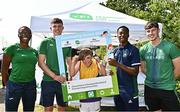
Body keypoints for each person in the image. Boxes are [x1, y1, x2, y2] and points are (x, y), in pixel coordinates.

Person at [140, 21, 180, 111]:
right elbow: (143, 68)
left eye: (153, 30)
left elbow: (178, 68)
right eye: (148, 31)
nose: (151, 33)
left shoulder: (170, 47)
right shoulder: (143, 49)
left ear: (158, 31)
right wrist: (152, 78)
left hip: (167, 88)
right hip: (150, 88)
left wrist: (168, 79)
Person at [38, 18, 72, 112]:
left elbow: (69, 63)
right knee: (48, 108)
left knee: (62, 108)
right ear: (50, 28)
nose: (57, 28)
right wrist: (55, 76)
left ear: (63, 28)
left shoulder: (67, 43)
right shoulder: (45, 42)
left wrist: (71, 75)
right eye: (54, 26)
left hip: (63, 80)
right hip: (48, 80)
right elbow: (40, 63)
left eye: (59, 26)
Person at [1, 26, 38, 111]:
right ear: (18, 35)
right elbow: (4, 69)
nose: (25, 34)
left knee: (29, 110)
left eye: (28, 33)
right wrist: (8, 85)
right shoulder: (11, 49)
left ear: (31, 35)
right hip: (14, 84)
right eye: (22, 32)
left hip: (30, 85)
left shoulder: (34, 51)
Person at [108, 26, 141, 111]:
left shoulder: (133, 50)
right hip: (117, 90)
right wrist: (111, 72)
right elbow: (114, 69)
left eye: (124, 33)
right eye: (120, 33)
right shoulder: (114, 51)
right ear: (117, 35)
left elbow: (135, 72)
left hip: (130, 90)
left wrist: (117, 64)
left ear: (128, 35)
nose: (122, 35)